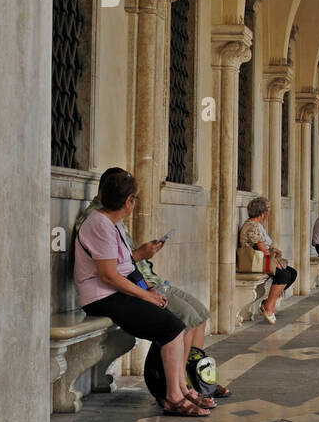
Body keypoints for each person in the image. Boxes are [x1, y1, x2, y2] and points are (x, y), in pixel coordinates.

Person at [73, 167, 231, 397]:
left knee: (200, 314)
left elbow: (120, 262)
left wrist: (142, 258)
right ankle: (177, 388)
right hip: (119, 290)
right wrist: (146, 291)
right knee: (180, 322)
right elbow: (108, 273)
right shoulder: (98, 221)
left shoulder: (112, 221)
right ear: (127, 201)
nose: (134, 203)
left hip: (142, 281)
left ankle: (193, 377)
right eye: (134, 198)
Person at [238, 196, 298, 322]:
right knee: (283, 275)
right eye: (268, 209)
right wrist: (276, 263)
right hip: (254, 262)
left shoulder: (258, 225)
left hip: (261, 259)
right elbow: (261, 249)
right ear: (263, 211)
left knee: (292, 273)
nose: (269, 212)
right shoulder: (253, 226)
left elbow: (265, 246)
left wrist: (274, 251)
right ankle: (268, 307)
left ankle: (268, 301)